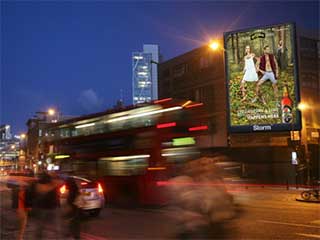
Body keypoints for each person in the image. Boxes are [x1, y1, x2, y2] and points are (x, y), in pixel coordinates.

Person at [29, 171, 61, 240]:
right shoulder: (39, 183)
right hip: (42, 208)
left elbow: (57, 192)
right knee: (40, 226)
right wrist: (53, 185)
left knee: (55, 227)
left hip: (52, 207)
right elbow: (41, 190)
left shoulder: (51, 182)